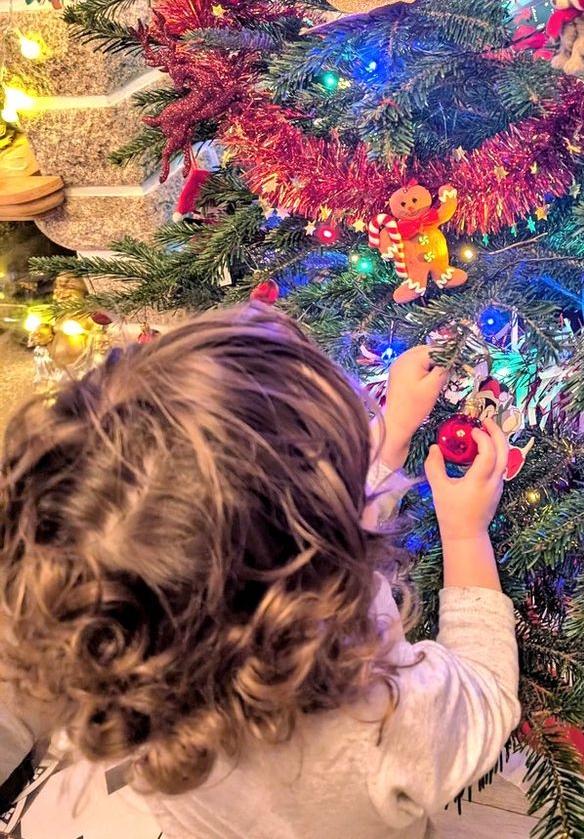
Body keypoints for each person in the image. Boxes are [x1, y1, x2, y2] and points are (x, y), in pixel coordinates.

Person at [0, 304, 519, 838]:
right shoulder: (374, 727)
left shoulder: (106, 630)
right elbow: (485, 694)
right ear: (316, 571)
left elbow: (265, 524)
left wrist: (391, 437)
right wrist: (465, 534)